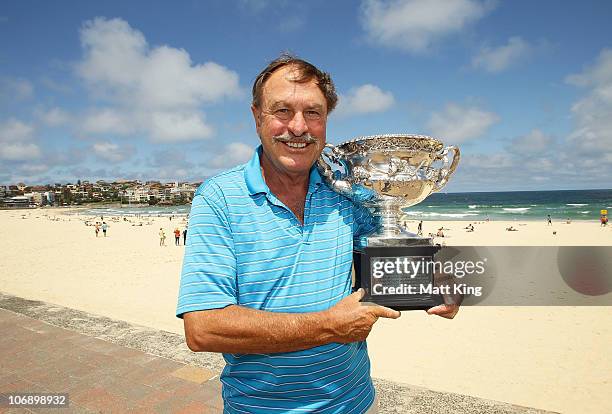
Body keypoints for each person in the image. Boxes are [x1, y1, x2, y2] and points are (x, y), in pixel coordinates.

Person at [176, 55, 459, 414]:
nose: (298, 127)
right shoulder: (219, 198)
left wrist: (439, 279)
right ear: (256, 116)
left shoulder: (347, 193)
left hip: (357, 404)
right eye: (282, 111)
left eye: (313, 113)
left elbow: (388, 254)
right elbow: (203, 329)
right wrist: (327, 326)